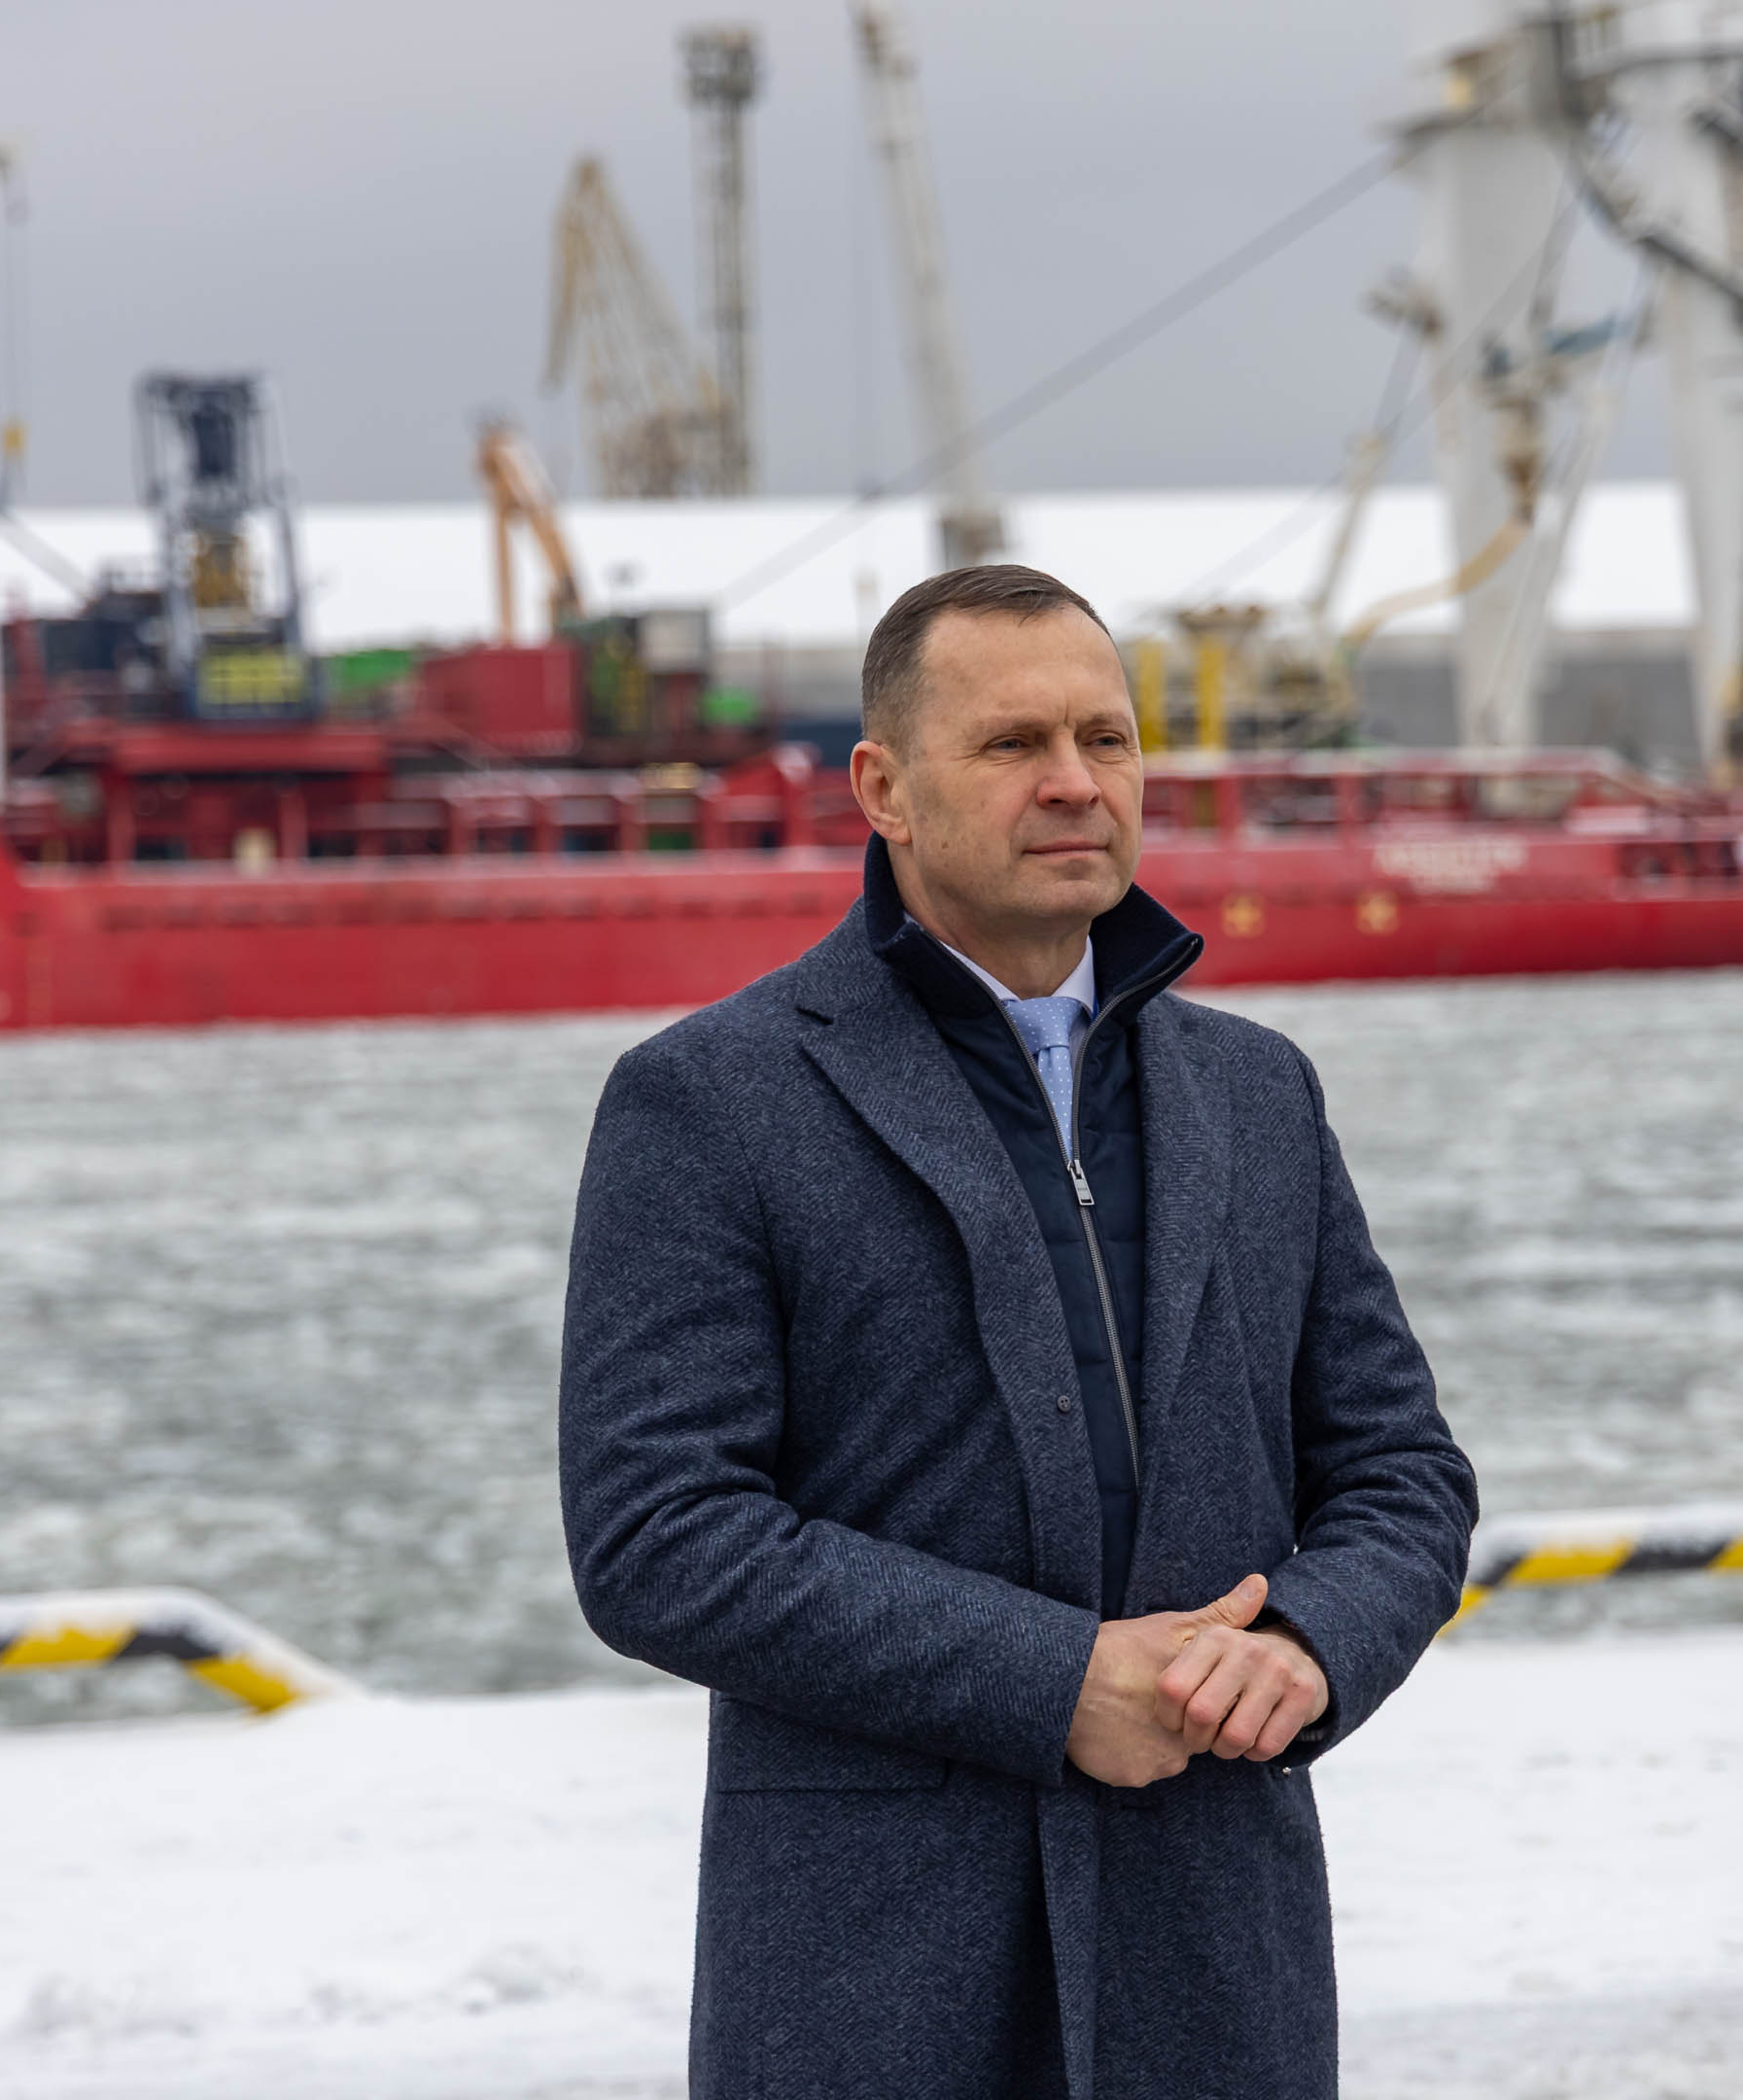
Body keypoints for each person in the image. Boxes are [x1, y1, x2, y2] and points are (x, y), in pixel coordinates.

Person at [560, 563, 1478, 2098]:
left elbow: (1403, 1474)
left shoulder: (1258, 1093)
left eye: (1106, 740)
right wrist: (1053, 1683)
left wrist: (1308, 1648)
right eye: (1012, 745)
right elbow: (658, 1536)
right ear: (884, 789)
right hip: (873, 1986)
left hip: (1217, 1958)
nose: (1074, 782)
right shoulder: (709, 1101)